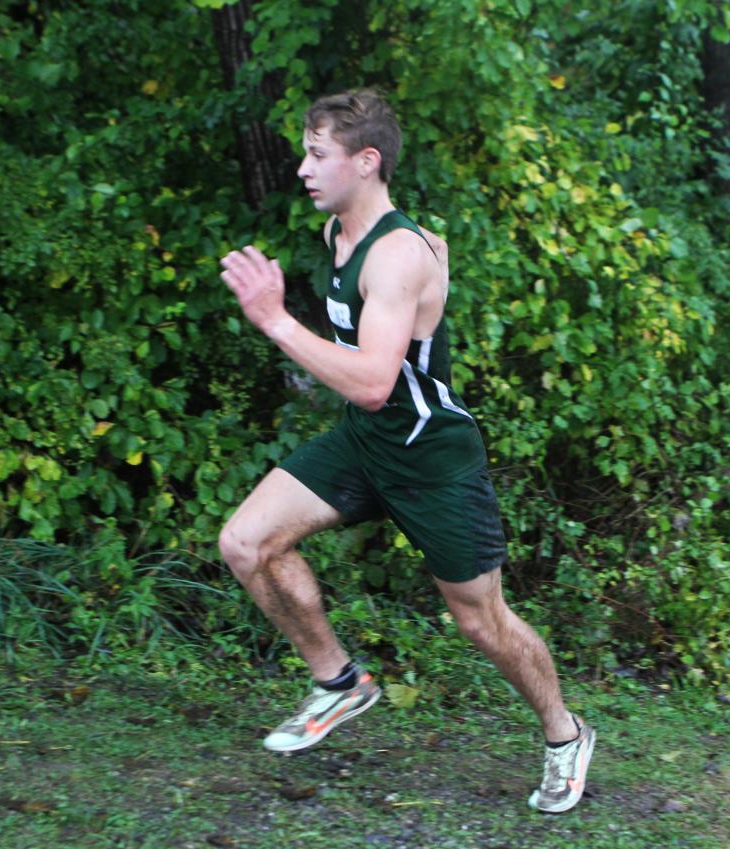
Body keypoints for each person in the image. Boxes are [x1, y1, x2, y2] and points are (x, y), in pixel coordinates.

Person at [218, 89, 595, 814]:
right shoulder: (339, 236)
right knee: (245, 543)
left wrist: (273, 319)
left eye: (317, 154)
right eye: (305, 151)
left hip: (431, 458)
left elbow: (370, 381)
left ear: (366, 161)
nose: (303, 168)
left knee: (481, 618)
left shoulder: (395, 254)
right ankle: (339, 682)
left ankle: (565, 732)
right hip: (368, 445)